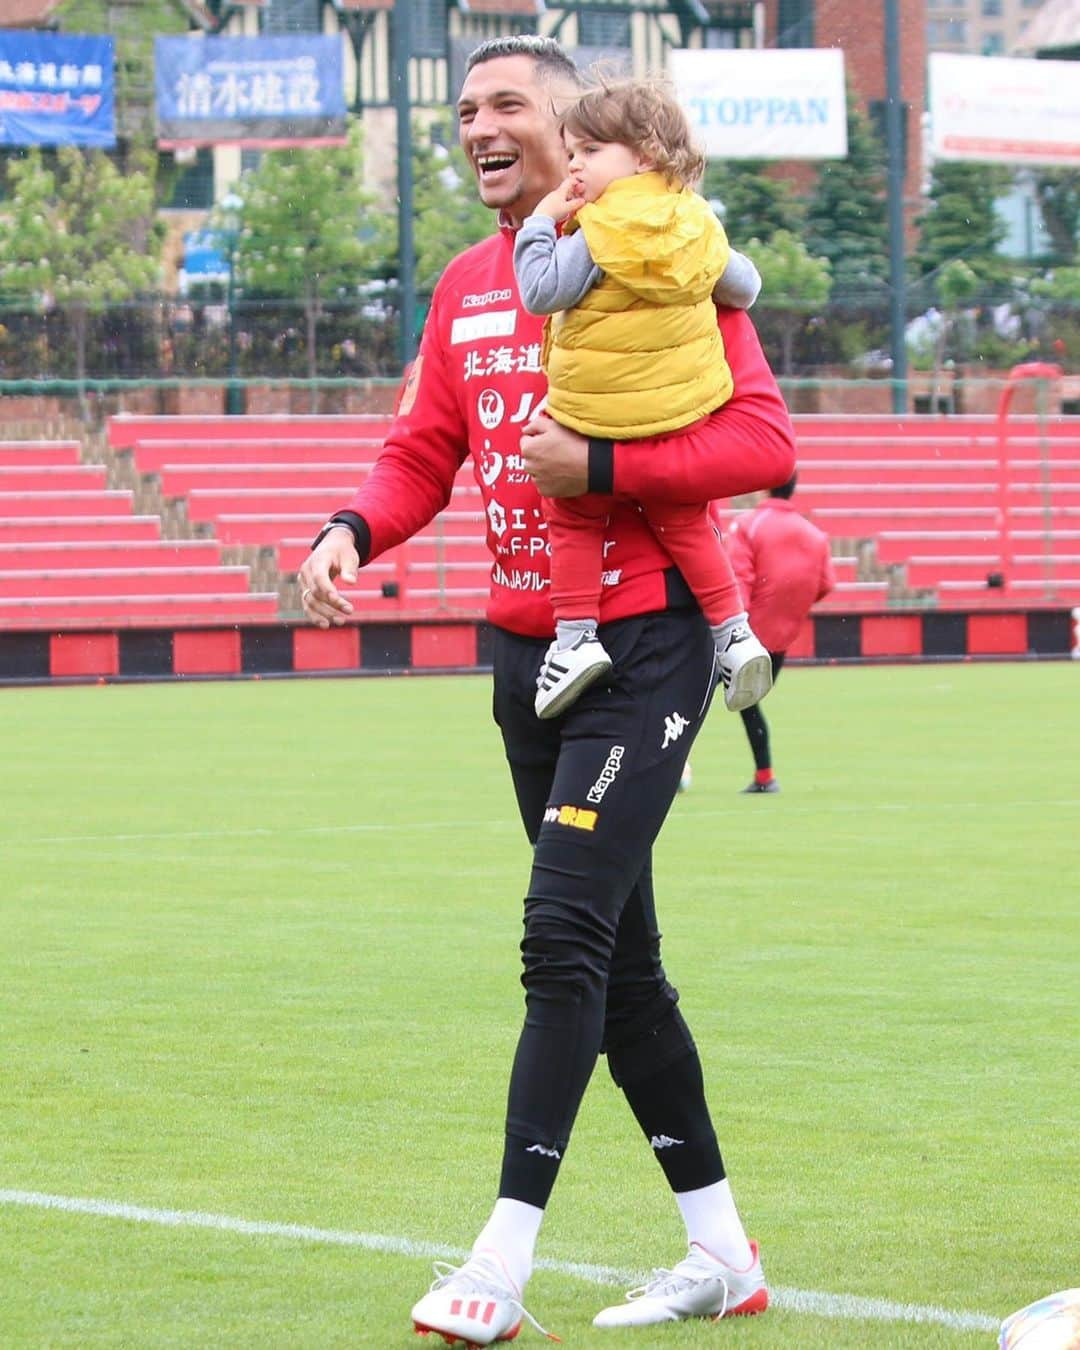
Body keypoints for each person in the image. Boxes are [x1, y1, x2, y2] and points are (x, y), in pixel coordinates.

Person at [298, 34, 795, 1344]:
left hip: (648, 641)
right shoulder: (469, 285)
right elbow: (425, 447)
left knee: (559, 930)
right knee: (620, 965)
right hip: (529, 653)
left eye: (506, 103)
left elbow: (763, 437)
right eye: (464, 109)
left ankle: (500, 1264)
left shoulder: (668, 242)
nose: (477, 126)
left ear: (578, 125)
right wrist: (354, 526)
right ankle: (722, 1255)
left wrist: (609, 463)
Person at [513, 77, 772, 721]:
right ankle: (735, 634)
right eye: (572, 151)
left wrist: (541, 222)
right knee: (684, 520)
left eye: (590, 150)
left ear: (645, 155)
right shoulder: (697, 223)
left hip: (594, 419)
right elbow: (745, 287)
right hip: (676, 417)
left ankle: (574, 641)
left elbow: (542, 292)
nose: (574, 164)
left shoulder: (597, 233)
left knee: (573, 514)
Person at [726, 472, 835, 794]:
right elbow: (826, 583)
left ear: (765, 486)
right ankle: (764, 776)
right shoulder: (815, 535)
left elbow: (738, 578)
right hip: (779, 638)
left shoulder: (749, 525)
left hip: (741, 633)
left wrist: (733, 625)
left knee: (687, 699)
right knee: (748, 700)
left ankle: (665, 769)